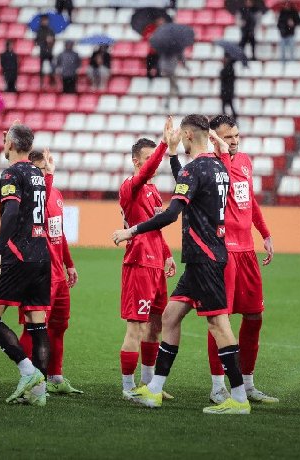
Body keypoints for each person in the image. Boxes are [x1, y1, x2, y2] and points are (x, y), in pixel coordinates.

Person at [114, 115, 251, 415]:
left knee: (219, 324)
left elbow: (172, 212)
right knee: (170, 318)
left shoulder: (194, 169)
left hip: (205, 258)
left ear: (188, 135)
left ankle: (238, 398)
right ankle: (154, 389)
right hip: (204, 258)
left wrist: (131, 230)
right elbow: (188, 183)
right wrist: (177, 156)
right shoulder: (218, 166)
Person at [170, 115, 276, 404]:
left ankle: (249, 383)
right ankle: (218, 386)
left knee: (254, 316)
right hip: (222, 252)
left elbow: (249, 199)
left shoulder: (244, 161)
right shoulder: (212, 167)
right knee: (220, 318)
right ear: (214, 138)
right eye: (228, 137)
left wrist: (264, 233)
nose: (235, 141)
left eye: (237, 136)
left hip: (247, 251)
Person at [0, 124, 54, 406]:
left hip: (19, 255)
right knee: (38, 325)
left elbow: (11, 212)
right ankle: (39, 393)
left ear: (11, 143)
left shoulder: (12, 173)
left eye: (4, 137)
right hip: (40, 256)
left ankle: (28, 371)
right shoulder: (37, 172)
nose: (1, 140)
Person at [117, 118, 177, 400]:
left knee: (155, 326)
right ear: (135, 161)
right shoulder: (132, 186)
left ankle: (149, 384)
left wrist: (167, 254)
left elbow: (155, 226)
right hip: (138, 263)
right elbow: (148, 170)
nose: (153, 163)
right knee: (136, 326)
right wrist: (165, 144)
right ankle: (128, 388)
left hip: (155, 264)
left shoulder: (153, 191)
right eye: (147, 159)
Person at [17, 149, 82, 395]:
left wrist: (69, 263)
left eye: (47, 169)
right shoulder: (27, 195)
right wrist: (48, 177)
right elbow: (39, 206)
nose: (45, 173)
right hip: (37, 273)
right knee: (32, 329)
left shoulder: (56, 194)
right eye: (40, 169)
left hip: (57, 274)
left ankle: (55, 377)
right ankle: (29, 379)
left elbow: (59, 232)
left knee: (58, 326)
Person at [35, 15, 56, 87]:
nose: (45, 22)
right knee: (41, 68)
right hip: (43, 51)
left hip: (49, 51)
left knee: (52, 67)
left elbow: (54, 40)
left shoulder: (50, 30)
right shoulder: (39, 31)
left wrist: (51, 41)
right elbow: (37, 41)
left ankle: (52, 81)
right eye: (44, 20)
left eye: (46, 20)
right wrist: (45, 41)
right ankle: (41, 82)